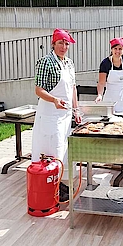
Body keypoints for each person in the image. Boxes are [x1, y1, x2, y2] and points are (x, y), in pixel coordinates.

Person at [31, 28, 82, 202]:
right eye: (61, 42)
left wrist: (76, 110)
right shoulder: (46, 62)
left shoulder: (69, 63)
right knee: (52, 151)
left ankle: (61, 184)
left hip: (65, 116)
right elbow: (39, 90)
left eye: (67, 43)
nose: (64, 46)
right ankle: (50, 186)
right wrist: (54, 100)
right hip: (50, 115)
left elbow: (73, 88)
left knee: (64, 150)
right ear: (53, 44)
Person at [95, 37, 123, 112]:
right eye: (115, 48)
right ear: (112, 49)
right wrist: (100, 95)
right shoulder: (105, 63)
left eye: (120, 49)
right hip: (111, 98)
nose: (117, 51)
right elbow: (101, 83)